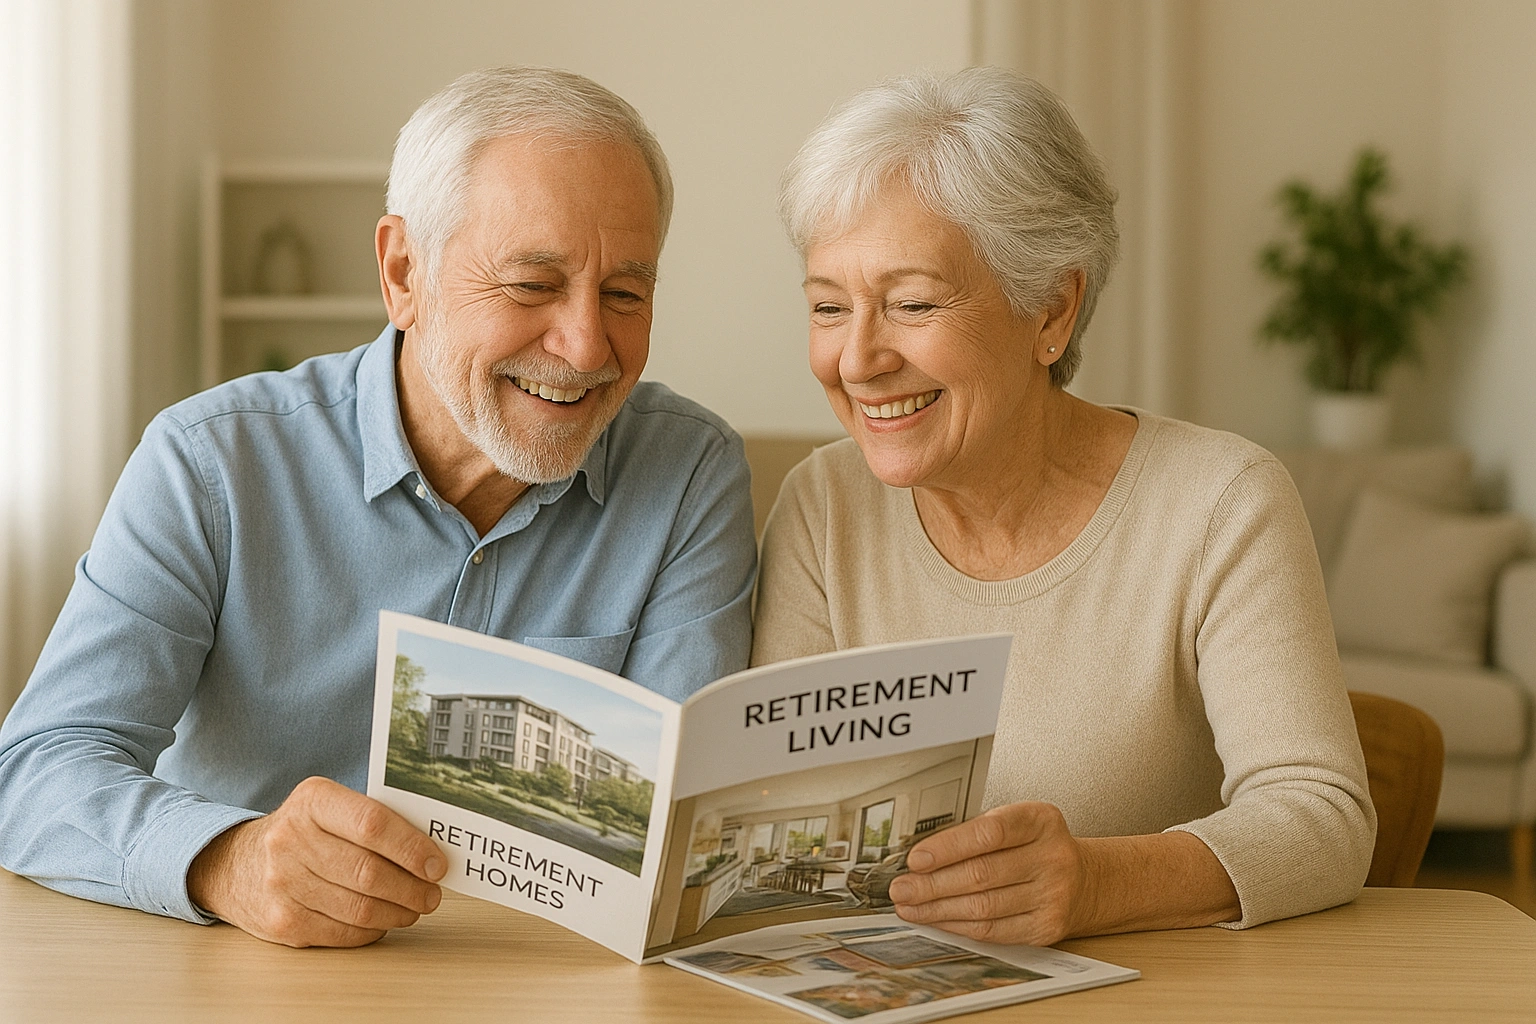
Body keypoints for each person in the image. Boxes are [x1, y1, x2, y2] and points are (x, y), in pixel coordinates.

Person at [0, 67, 756, 948]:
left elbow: (685, 821)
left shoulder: (690, 471)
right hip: (243, 976)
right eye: (530, 284)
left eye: (625, 292)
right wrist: (228, 859)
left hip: (543, 982)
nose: (588, 344)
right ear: (404, 272)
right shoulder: (210, 463)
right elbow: (37, 771)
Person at [754, 67, 1375, 944]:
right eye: (828, 307)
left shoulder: (1222, 503)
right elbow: (773, 809)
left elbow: (1323, 818)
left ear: (1052, 307)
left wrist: (1096, 883)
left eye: (913, 303)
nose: (858, 360)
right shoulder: (823, 504)